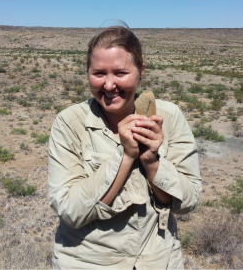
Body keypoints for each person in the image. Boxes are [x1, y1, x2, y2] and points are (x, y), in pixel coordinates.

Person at [48, 26, 201, 270]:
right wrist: (127, 154)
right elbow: (71, 211)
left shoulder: (169, 116)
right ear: (87, 73)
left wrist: (152, 162)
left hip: (158, 261)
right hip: (86, 262)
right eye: (99, 73)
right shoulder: (69, 123)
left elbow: (188, 201)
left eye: (120, 73)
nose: (109, 85)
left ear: (141, 71)